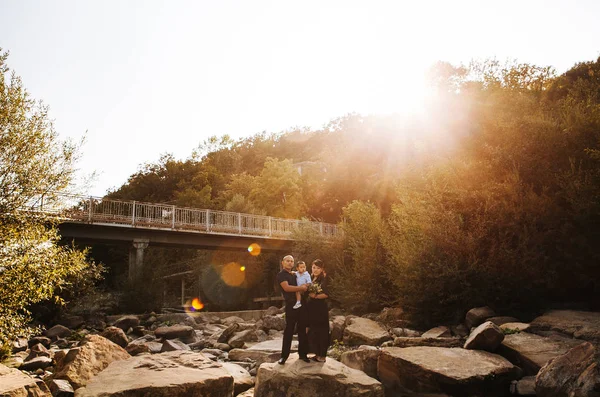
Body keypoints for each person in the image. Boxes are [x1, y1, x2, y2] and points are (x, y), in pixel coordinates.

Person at [276, 255, 310, 364]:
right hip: (291, 306)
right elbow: (286, 288)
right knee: (289, 330)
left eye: (292, 261)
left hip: (302, 305)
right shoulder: (281, 275)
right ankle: (284, 356)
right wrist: (301, 288)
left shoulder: (296, 273)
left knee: (302, 330)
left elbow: (307, 279)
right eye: (288, 261)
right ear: (283, 263)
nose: (290, 263)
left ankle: (303, 355)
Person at [307, 259, 330, 362]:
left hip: (321, 308)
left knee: (322, 331)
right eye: (314, 267)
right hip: (312, 309)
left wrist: (315, 296)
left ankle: (323, 356)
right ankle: (316, 354)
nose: (315, 270)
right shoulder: (311, 278)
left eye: (318, 268)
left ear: (322, 269)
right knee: (314, 331)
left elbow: (326, 294)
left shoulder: (324, 279)